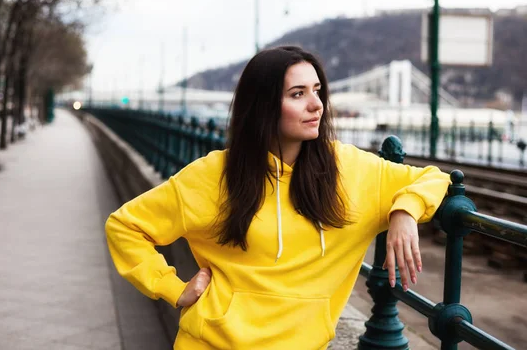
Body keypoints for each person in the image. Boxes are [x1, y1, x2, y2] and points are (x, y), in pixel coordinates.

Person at [105, 46, 450, 349]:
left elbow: (435, 178)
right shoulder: (213, 175)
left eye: (317, 90)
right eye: (297, 94)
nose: (317, 104)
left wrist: (404, 211)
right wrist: (172, 288)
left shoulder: (351, 169)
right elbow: (125, 227)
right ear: (263, 106)